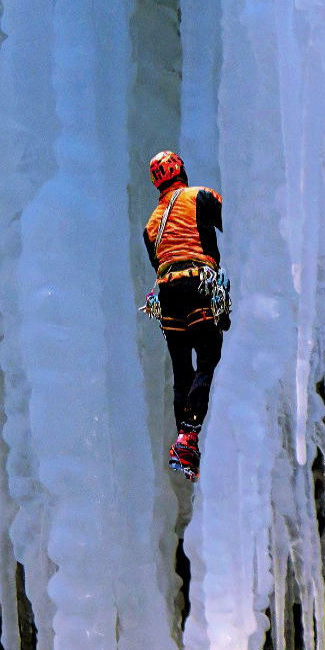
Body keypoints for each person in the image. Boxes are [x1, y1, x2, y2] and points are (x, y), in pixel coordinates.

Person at [142, 151, 230, 481]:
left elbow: (158, 261)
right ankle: (193, 431)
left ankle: (184, 441)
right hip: (197, 284)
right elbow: (235, 224)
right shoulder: (201, 197)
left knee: (182, 370)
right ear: (181, 170)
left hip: (167, 294)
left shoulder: (151, 224)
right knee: (208, 357)